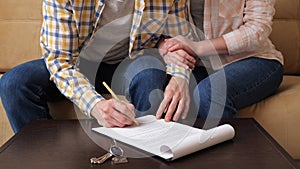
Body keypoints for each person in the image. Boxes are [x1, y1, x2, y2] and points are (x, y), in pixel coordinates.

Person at [0, 0, 194, 133]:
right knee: (14, 84)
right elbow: (60, 62)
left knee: (148, 75)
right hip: (78, 63)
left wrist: (179, 76)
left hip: (133, 59)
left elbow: (177, 39)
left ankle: (147, 157)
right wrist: (94, 105)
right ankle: (43, 159)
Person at [157, 0, 284, 121]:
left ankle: (233, 144)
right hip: (201, 65)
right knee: (165, 93)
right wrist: (166, 48)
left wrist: (198, 47)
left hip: (255, 59)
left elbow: (257, 30)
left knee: (209, 93)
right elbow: (164, 26)